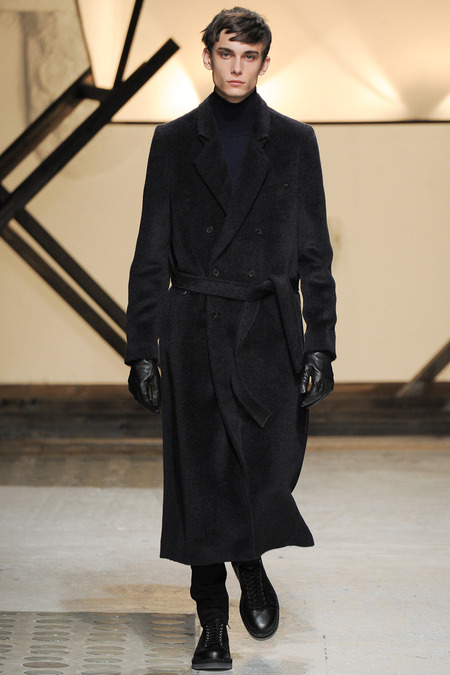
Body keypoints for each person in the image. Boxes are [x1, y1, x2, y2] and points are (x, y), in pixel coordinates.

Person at [126, 7, 336, 671]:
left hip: (268, 332)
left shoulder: (296, 142)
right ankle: (212, 621)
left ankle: (251, 560)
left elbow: (314, 252)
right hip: (194, 329)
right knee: (202, 479)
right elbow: (150, 250)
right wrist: (142, 347)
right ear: (209, 57)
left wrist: (321, 343)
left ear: (265, 62)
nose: (237, 66)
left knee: (266, 467)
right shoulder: (173, 141)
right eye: (226, 53)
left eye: (249, 55)